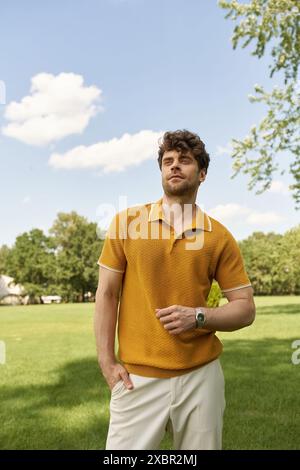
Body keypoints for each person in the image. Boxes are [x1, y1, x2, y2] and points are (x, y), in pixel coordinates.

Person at [94, 129, 256, 450]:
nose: (174, 166)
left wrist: (198, 316)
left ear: (203, 173)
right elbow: (107, 295)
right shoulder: (126, 223)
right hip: (136, 379)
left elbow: (245, 307)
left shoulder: (218, 236)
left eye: (185, 160)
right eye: (168, 161)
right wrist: (106, 361)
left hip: (201, 376)